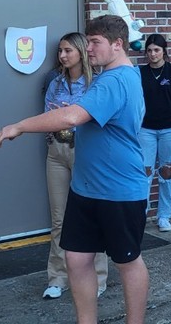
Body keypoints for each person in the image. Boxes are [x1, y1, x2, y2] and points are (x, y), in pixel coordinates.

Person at [0, 15, 149, 324]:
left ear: (118, 45)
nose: (89, 48)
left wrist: (20, 126)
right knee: (77, 259)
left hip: (118, 191)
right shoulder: (110, 76)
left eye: (95, 43)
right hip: (85, 188)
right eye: (88, 41)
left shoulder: (116, 80)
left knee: (128, 261)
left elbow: (71, 117)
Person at [40, 33, 110, 300]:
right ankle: (57, 278)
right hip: (57, 151)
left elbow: (100, 118)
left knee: (91, 217)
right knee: (59, 219)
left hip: (86, 152)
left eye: (68, 50)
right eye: (60, 51)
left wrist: (72, 113)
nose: (62, 56)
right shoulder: (54, 82)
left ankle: (98, 278)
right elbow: (48, 115)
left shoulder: (97, 83)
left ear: (81, 51)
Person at [139, 34, 171, 233]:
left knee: (167, 174)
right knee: (144, 173)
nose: (152, 54)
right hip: (145, 130)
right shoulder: (139, 73)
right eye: (149, 50)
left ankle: (164, 216)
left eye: (156, 50)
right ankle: (140, 214)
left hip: (169, 128)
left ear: (164, 52)